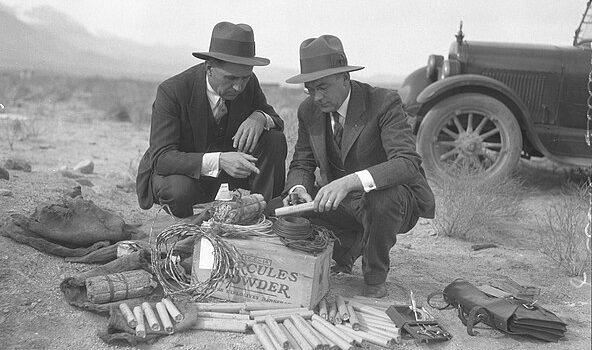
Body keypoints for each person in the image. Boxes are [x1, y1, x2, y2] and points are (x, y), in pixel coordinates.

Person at [280, 35, 435, 298]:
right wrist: (298, 189)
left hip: (393, 201)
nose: (316, 97)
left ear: (344, 77)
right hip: (344, 204)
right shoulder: (308, 111)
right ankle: (348, 246)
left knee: (381, 200)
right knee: (281, 210)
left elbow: (407, 163)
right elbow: (302, 163)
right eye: (309, 89)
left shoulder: (383, 102)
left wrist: (350, 181)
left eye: (323, 87)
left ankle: (374, 275)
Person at [136, 22, 287, 218]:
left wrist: (259, 117)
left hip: (227, 180)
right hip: (184, 177)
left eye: (245, 78)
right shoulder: (172, 91)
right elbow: (162, 159)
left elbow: (276, 120)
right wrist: (220, 160)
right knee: (178, 189)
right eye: (231, 78)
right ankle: (186, 229)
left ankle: (264, 215)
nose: (239, 87)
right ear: (209, 68)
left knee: (274, 139)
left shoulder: (248, 83)